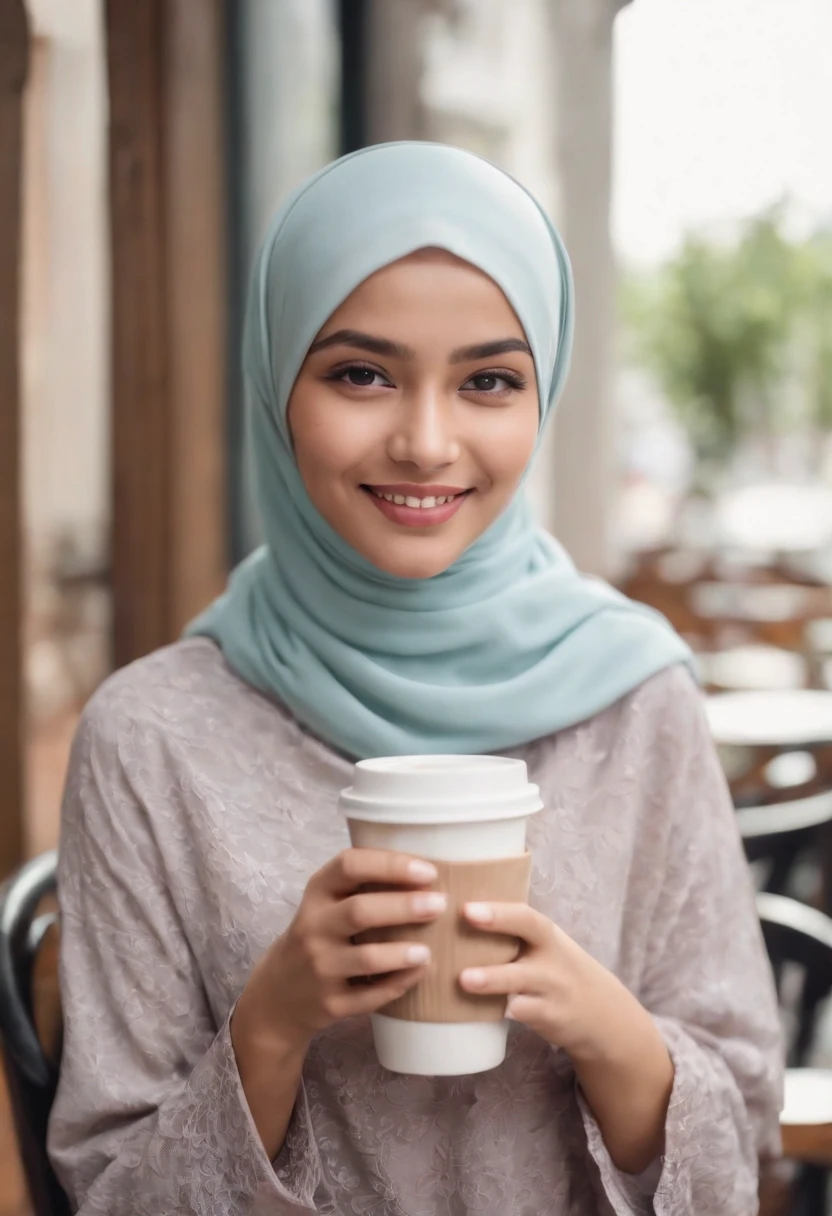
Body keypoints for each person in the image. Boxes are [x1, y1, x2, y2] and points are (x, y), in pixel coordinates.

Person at [47, 142, 782, 1215]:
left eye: (488, 380)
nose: (426, 440)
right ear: (275, 388)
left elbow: (747, 1143)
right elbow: (108, 1190)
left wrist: (603, 1025)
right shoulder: (151, 738)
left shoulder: (636, 703)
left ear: (547, 393)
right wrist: (273, 1022)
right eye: (359, 372)